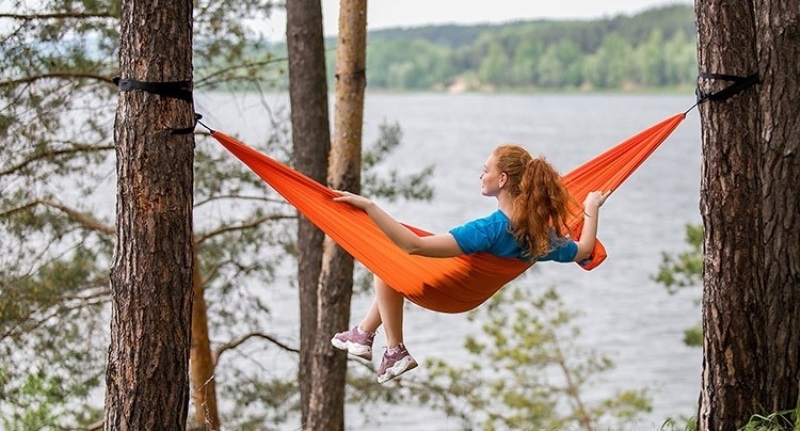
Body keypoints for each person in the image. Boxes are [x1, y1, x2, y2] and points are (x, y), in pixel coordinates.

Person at [330, 144, 610, 383]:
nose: (481, 175)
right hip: (469, 297)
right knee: (391, 268)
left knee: (388, 262)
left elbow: (414, 246)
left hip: (445, 289)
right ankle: (364, 334)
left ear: (502, 179)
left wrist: (370, 207)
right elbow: (584, 249)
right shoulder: (539, 236)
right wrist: (591, 208)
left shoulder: (488, 230)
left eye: (485, 170)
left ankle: (394, 349)